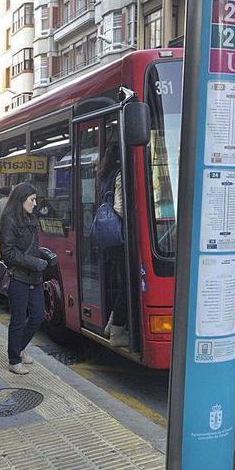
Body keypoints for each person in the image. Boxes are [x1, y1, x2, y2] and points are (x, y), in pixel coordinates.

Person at [0, 182, 54, 375]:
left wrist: (43, 256)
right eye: (32, 200)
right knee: (18, 320)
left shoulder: (31, 218)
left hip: (34, 276)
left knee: (38, 316)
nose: (35, 203)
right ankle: (14, 360)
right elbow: (8, 252)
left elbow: (30, 248)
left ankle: (19, 348)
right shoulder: (9, 220)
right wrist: (34, 262)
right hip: (19, 276)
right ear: (21, 200)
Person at [97, 144, 128, 347]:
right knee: (128, 285)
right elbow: (119, 207)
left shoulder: (104, 174)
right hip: (119, 239)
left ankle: (111, 326)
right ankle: (117, 334)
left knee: (123, 284)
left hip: (110, 240)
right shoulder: (119, 174)